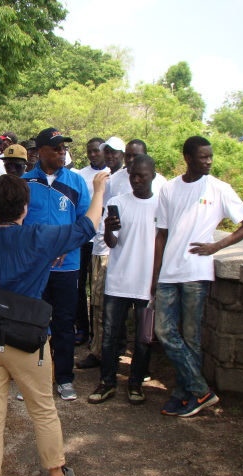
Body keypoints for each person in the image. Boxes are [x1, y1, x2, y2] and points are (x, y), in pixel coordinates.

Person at [0, 171, 108, 476]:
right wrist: (97, 189)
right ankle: (56, 473)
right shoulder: (40, 237)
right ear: (25, 206)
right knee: (43, 409)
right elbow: (86, 227)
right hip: (26, 339)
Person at [152, 136, 243, 417]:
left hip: (196, 272)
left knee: (191, 337)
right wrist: (155, 275)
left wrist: (216, 246)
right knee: (164, 331)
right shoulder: (170, 188)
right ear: (188, 158)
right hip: (168, 273)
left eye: (210, 156)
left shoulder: (219, 188)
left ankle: (183, 394)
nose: (209, 161)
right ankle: (201, 390)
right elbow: (161, 235)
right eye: (203, 157)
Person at [23, 127, 90, 401]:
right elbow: (18, 224)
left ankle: (64, 378)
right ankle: (34, 380)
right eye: (56, 148)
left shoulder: (76, 182)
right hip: (35, 269)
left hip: (67, 267)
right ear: (41, 152)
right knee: (33, 324)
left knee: (63, 323)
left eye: (64, 147)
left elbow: (86, 224)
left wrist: (66, 245)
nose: (62, 152)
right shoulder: (25, 183)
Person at [87, 155, 158, 405]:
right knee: (109, 335)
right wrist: (108, 227)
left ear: (153, 175)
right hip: (117, 283)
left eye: (142, 176)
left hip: (147, 286)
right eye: (133, 175)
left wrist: (157, 282)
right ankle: (107, 382)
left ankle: (136, 384)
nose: (136, 180)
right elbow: (112, 243)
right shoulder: (118, 202)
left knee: (145, 337)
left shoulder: (162, 206)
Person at [76, 136, 126, 370]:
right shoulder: (104, 179)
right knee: (97, 302)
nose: (109, 156)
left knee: (109, 303)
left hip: (116, 251)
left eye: (114, 152)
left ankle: (108, 351)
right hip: (98, 246)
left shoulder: (129, 180)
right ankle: (99, 350)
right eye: (107, 152)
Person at [72, 137, 108, 348]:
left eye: (96, 151)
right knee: (79, 285)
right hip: (84, 238)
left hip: (104, 241)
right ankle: (82, 328)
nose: (93, 154)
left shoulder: (112, 175)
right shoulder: (80, 176)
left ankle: (97, 331)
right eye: (89, 151)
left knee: (98, 288)